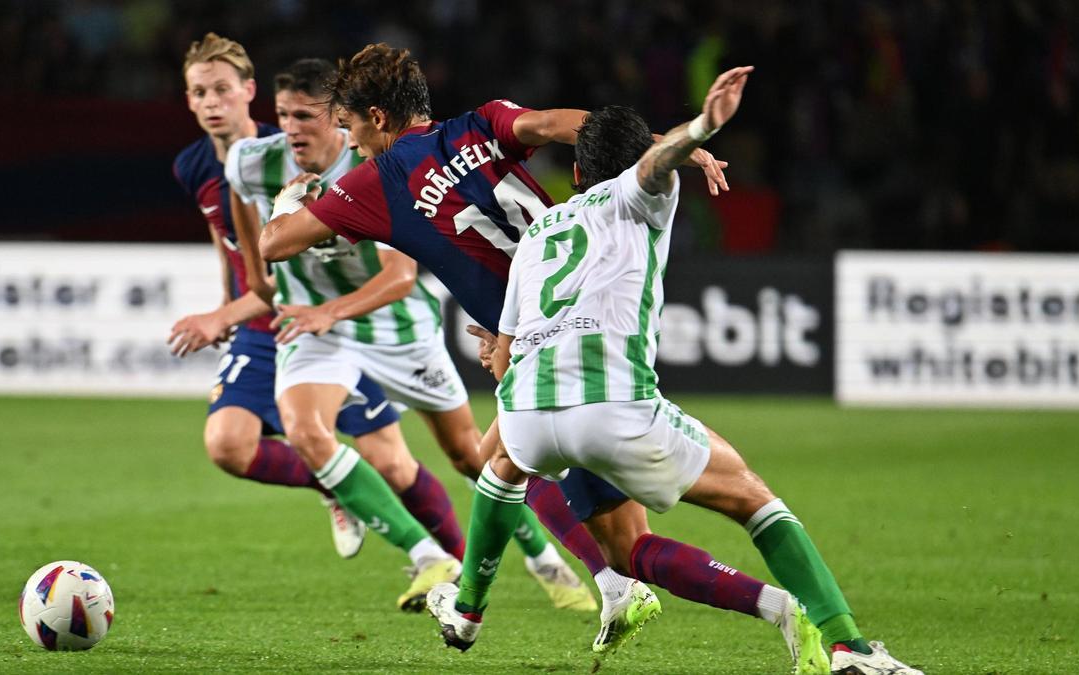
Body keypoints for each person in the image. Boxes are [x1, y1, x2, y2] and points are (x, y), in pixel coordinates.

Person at [424, 76, 923, 674]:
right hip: (612, 410)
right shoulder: (639, 195)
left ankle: (469, 609)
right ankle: (851, 650)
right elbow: (656, 163)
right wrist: (703, 128)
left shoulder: (538, 233)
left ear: (576, 174)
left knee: (502, 468)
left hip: (525, 413)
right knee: (755, 501)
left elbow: (501, 358)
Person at [257, 43, 731, 648]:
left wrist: (290, 199)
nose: (348, 143)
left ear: (377, 117)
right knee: (530, 472)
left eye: (349, 127)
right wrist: (677, 146)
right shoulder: (486, 121)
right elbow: (581, 126)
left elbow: (273, 245)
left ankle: (775, 601)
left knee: (523, 470)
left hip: (533, 338)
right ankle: (613, 584)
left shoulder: (375, 179)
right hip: (590, 299)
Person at [198, 57, 594, 612]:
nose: (296, 128)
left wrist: (293, 217)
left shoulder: (374, 176)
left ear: (368, 119)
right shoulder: (251, 162)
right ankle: (439, 565)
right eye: (284, 115)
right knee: (312, 434)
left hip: (397, 322)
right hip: (324, 326)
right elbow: (257, 264)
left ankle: (556, 563)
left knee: (477, 455)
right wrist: (663, 146)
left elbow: (392, 273)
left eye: (322, 119)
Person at [167, 33, 398, 561]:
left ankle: (458, 562)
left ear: (249, 92)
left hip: (320, 319)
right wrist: (230, 307)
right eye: (200, 92)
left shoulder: (288, 151)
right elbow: (228, 245)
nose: (211, 103)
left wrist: (223, 312)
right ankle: (331, 485)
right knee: (226, 446)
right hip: (255, 321)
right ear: (187, 100)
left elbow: (283, 271)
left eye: (222, 89)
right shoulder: (193, 166)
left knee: (390, 461)